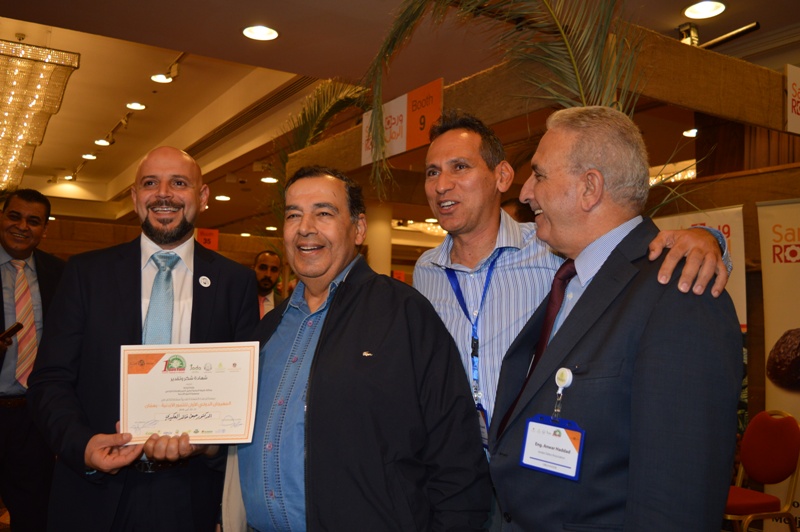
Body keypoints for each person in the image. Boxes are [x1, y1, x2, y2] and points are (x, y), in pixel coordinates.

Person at [489, 106, 742, 530]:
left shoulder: (679, 294)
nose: (526, 192)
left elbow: (676, 501)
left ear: (590, 188)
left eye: (539, 175)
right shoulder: (573, 280)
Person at [414, 109, 729, 428]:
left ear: (502, 176)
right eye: (431, 172)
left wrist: (707, 240)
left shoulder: (550, 250)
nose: (441, 185)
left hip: (541, 444)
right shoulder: (425, 272)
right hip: (454, 453)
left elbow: (624, 252)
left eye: (459, 167)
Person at [222, 166, 491, 531]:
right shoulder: (269, 329)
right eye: (293, 215)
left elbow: (456, 453)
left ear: (359, 229)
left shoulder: (404, 314)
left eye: (324, 213)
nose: (305, 228)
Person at [27, 146, 259, 532]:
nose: (163, 194)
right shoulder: (86, 274)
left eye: (179, 183)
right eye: (150, 183)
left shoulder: (235, 283)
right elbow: (49, 381)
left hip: (191, 495)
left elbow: (246, 392)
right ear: (135, 198)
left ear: (202, 196)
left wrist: (212, 443)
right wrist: (84, 445)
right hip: (94, 492)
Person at [0, 189, 64, 531]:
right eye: (14, 216)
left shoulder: (60, 273)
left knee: (35, 513)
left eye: (33, 221)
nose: (22, 226)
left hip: (34, 416)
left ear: (44, 229)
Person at [253, 250, 283, 318]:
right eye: (263, 268)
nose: (268, 274)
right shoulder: (238, 301)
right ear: (253, 269)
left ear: (279, 274)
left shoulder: (284, 307)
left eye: (274, 270)